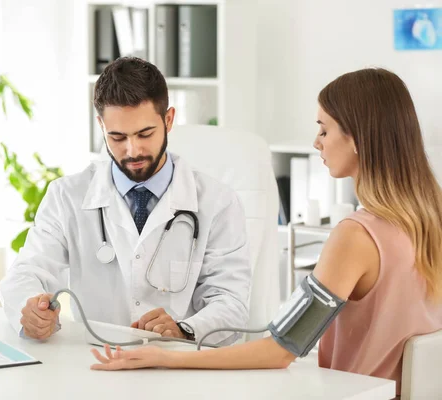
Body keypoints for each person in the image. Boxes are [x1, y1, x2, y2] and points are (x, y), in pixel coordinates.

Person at [88, 68, 442, 396]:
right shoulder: (430, 218)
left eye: (324, 129)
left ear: (358, 139)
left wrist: (166, 357)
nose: (317, 142)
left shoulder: (357, 237)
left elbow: (280, 350)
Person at [0, 57, 252, 345]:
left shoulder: (217, 201)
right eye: (117, 137)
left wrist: (184, 328)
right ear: (100, 125)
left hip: (180, 367)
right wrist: (31, 308)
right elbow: (26, 272)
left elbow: (231, 301)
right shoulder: (66, 196)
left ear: (168, 120)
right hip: (98, 362)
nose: (133, 150)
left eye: (145, 134)